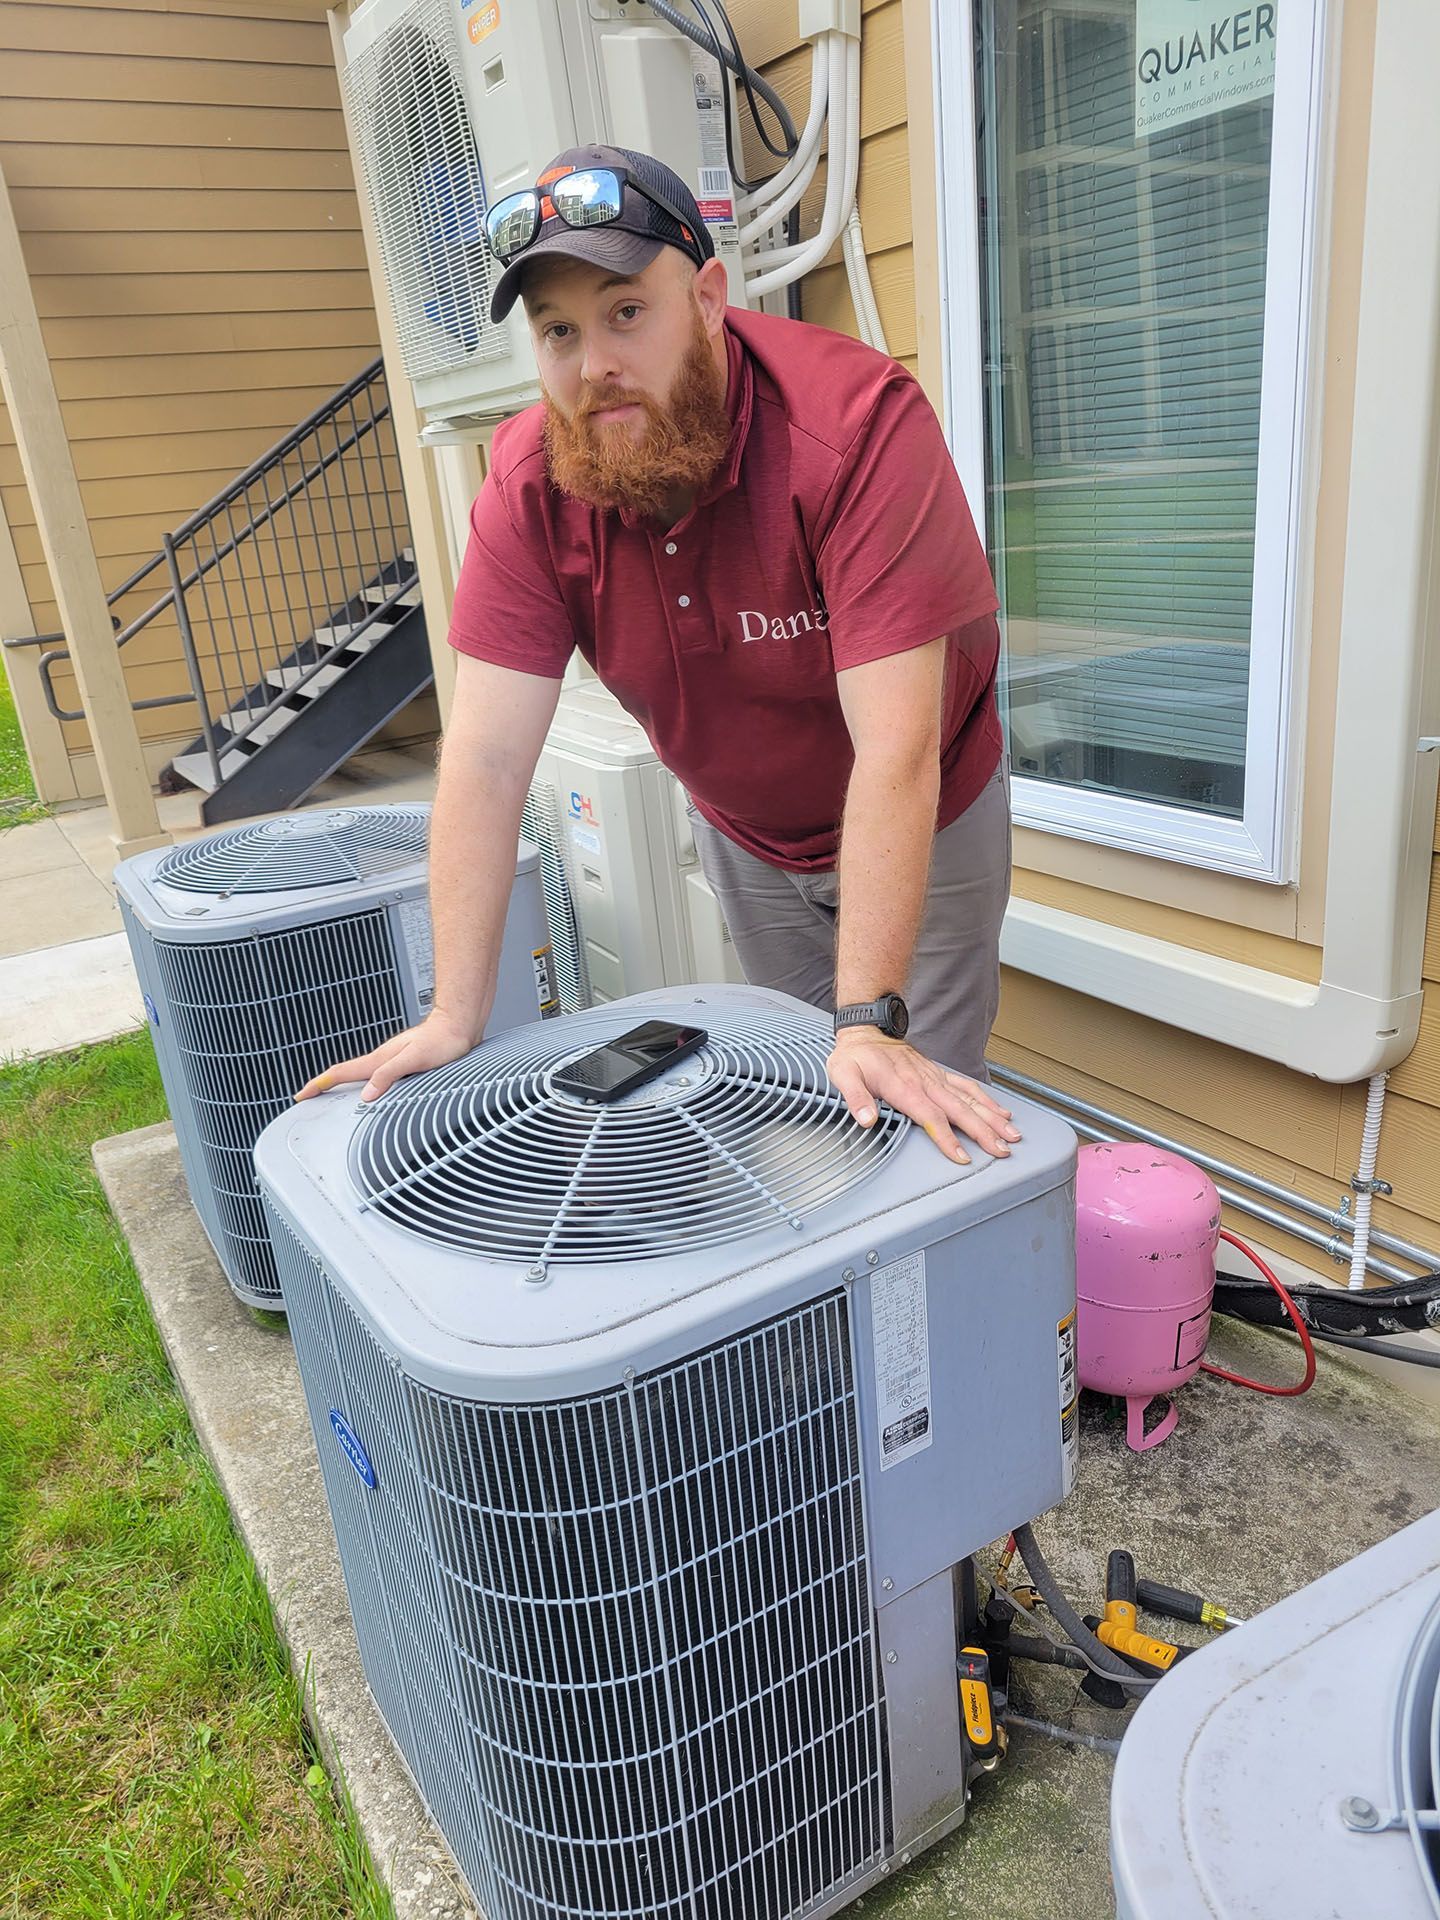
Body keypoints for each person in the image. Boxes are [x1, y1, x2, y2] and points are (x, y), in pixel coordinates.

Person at [300, 144, 1019, 1166]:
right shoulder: (528, 483)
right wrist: (455, 1014)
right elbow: (487, 761)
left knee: (917, 1117)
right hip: (749, 832)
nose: (594, 364)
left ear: (710, 297)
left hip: (928, 810)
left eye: (626, 311)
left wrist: (869, 1018)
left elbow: (895, 751)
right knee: (802, 1102)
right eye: (558, 331)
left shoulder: (854, 427)